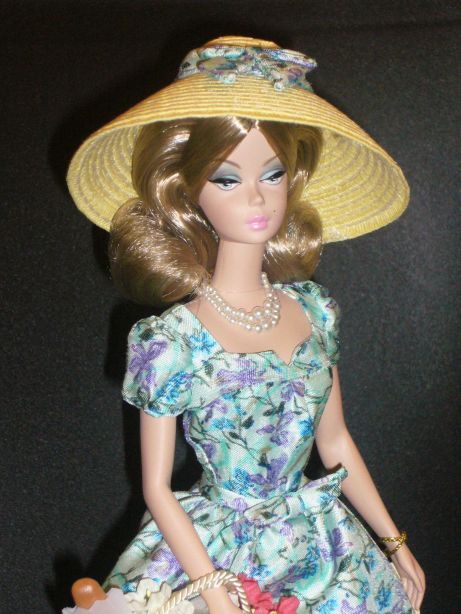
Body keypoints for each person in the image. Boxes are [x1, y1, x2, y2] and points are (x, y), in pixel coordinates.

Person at [67, 36, 425, 614]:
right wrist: (214, 592)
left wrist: (394, 542)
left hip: (319, 546)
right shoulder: (172, 341)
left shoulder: (314, 311)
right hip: (214, 552)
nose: (257, 197)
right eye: (228, 179)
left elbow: (335, 441)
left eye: (274, 174)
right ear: (187, 191)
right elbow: (155, 487)